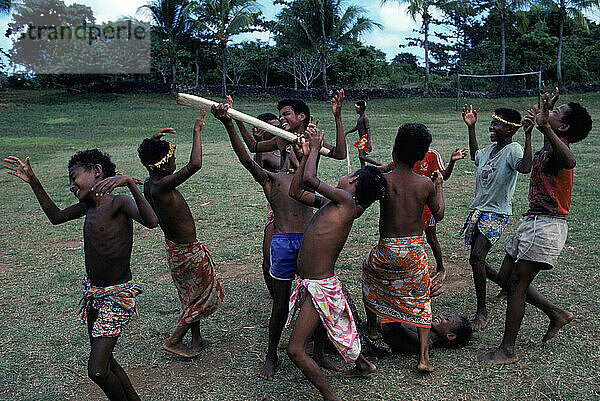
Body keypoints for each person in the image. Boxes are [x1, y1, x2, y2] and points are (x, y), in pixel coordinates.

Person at [3, 150, 158, 401]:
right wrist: (33, 181)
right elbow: (55, 217)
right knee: (107, 363)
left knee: (97, 371)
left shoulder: (119, 202)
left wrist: (129, 183)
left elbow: (151, 221)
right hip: (93, 294)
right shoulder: (88, 206)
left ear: (97, 171)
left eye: (75, 177)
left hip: (116, 297)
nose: (72, 185)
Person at [479, 91, 591, 365]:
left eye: (555, 112)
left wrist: (544, 127)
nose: (548, 113)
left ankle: (507, 350)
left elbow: (570, 161)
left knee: (517, 285)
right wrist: (536, 130)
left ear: (562, 127)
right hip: (532, 221)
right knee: (506, 278)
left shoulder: (560, 146)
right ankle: (556, 313)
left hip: (547, 225)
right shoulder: (549, 142)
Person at [286, 127, 386, 401]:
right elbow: (297, 190)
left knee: (295, 350)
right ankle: (363, 364)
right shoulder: (335, 202)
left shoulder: (345, 202)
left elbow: (310, 178)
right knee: (330, 330)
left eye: (350, 175)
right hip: (315, 283)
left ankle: (332, 397)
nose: (345, 176)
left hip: (320, 286)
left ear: (353, 183)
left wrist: (315, 148)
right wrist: (305, 157)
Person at [137, 111, 225, 359]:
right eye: (172, 157)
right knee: (202, 295)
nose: (175, 160)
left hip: (176, 249)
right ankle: (175, 340)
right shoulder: (163, 186)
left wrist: (153, 142)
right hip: (187, 251)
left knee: (191, 293)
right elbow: (195, 164)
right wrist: (196, 131)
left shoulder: (149, 182)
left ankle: (196, 340)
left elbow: (149, 160)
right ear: (164, 164)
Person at [362, 123, 445, 372]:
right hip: (413, 250)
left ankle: (374, 329)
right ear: (422, 156)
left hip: (386, 248)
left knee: (369, 275)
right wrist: (439, 185)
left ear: (394, 150)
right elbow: (438, 214)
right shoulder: (425, 184)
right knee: (421, 298)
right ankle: (423, 358)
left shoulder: (384, 181)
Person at [461, 104, 533, 331]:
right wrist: (471, 128)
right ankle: (507, 284)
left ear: (511, 130)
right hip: (478, 210)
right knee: (478, 260)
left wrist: (529, 136)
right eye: (492, 123)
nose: (491, 127)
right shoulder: (490, 149)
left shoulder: (513, 149)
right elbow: (475, 156)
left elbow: (525, 168)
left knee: (476, 257)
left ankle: (481, 311)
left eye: (497, 124)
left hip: (496, 212)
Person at [379, 147, 468, 282]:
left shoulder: (431, 155)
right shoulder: (404, 155)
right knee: (413, 237)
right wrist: (365, 168)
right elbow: (387, 168)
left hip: (428, 203)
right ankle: (415, 266)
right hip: (413, 204)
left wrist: (452, 162)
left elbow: (442, 176)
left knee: (431, 238)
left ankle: (440, 268)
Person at [230, 107, 282, 300]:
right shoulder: (265, 152)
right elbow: (257, 170)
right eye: (273, 128)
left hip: (296, 208)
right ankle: (274, 294)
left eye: (280, 126)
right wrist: (258, 142)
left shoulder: (286, 146)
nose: (278, 130)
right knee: (268, 259)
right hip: (276, 208)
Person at [345, 100, 382, 168]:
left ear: (360, 109)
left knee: (362, 156)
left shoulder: (365, 118)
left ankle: (379, 164)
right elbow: (357, 127)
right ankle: (363, 171)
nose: (356, 110)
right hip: (362, 139)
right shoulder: (360, 118)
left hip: (365, 139)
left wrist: (368, 142)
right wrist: (347, 132)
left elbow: (368, 130)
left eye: (357, 108)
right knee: (361, 159)